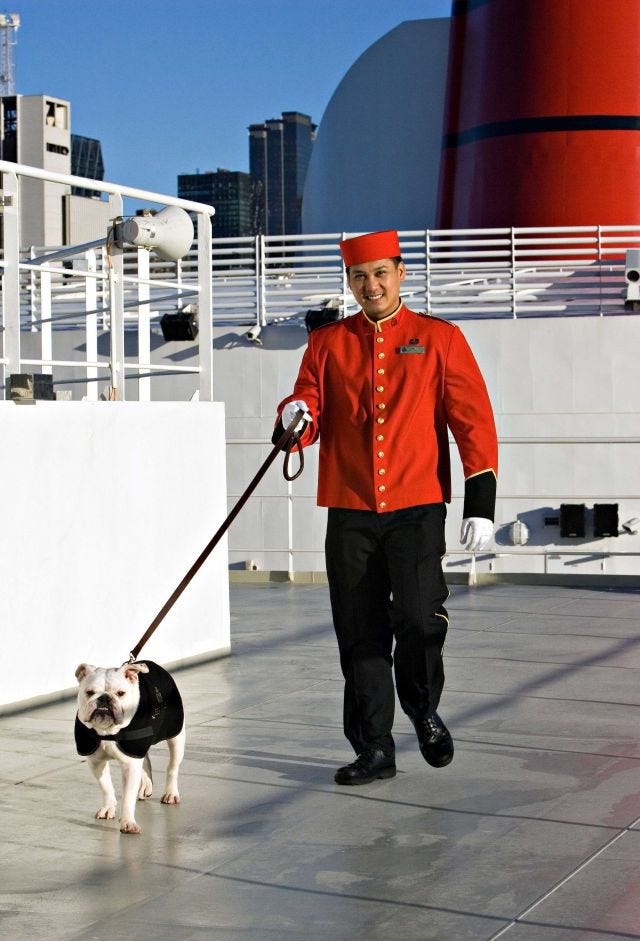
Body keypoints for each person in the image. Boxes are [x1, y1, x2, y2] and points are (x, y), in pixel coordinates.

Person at [273, 230, 498, 785]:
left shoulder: (439, 337)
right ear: (349, 283)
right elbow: (308, 402)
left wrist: (482, 503)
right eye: (358, 276)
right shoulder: (327, 343)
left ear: (400, 274)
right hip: (349, 509)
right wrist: (294, 417)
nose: (369, 285)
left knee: (420, 619)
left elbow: (472, 421)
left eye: (379, 273)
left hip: (418, 506)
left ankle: (423, 710)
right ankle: (374, 747)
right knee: (359, 632)